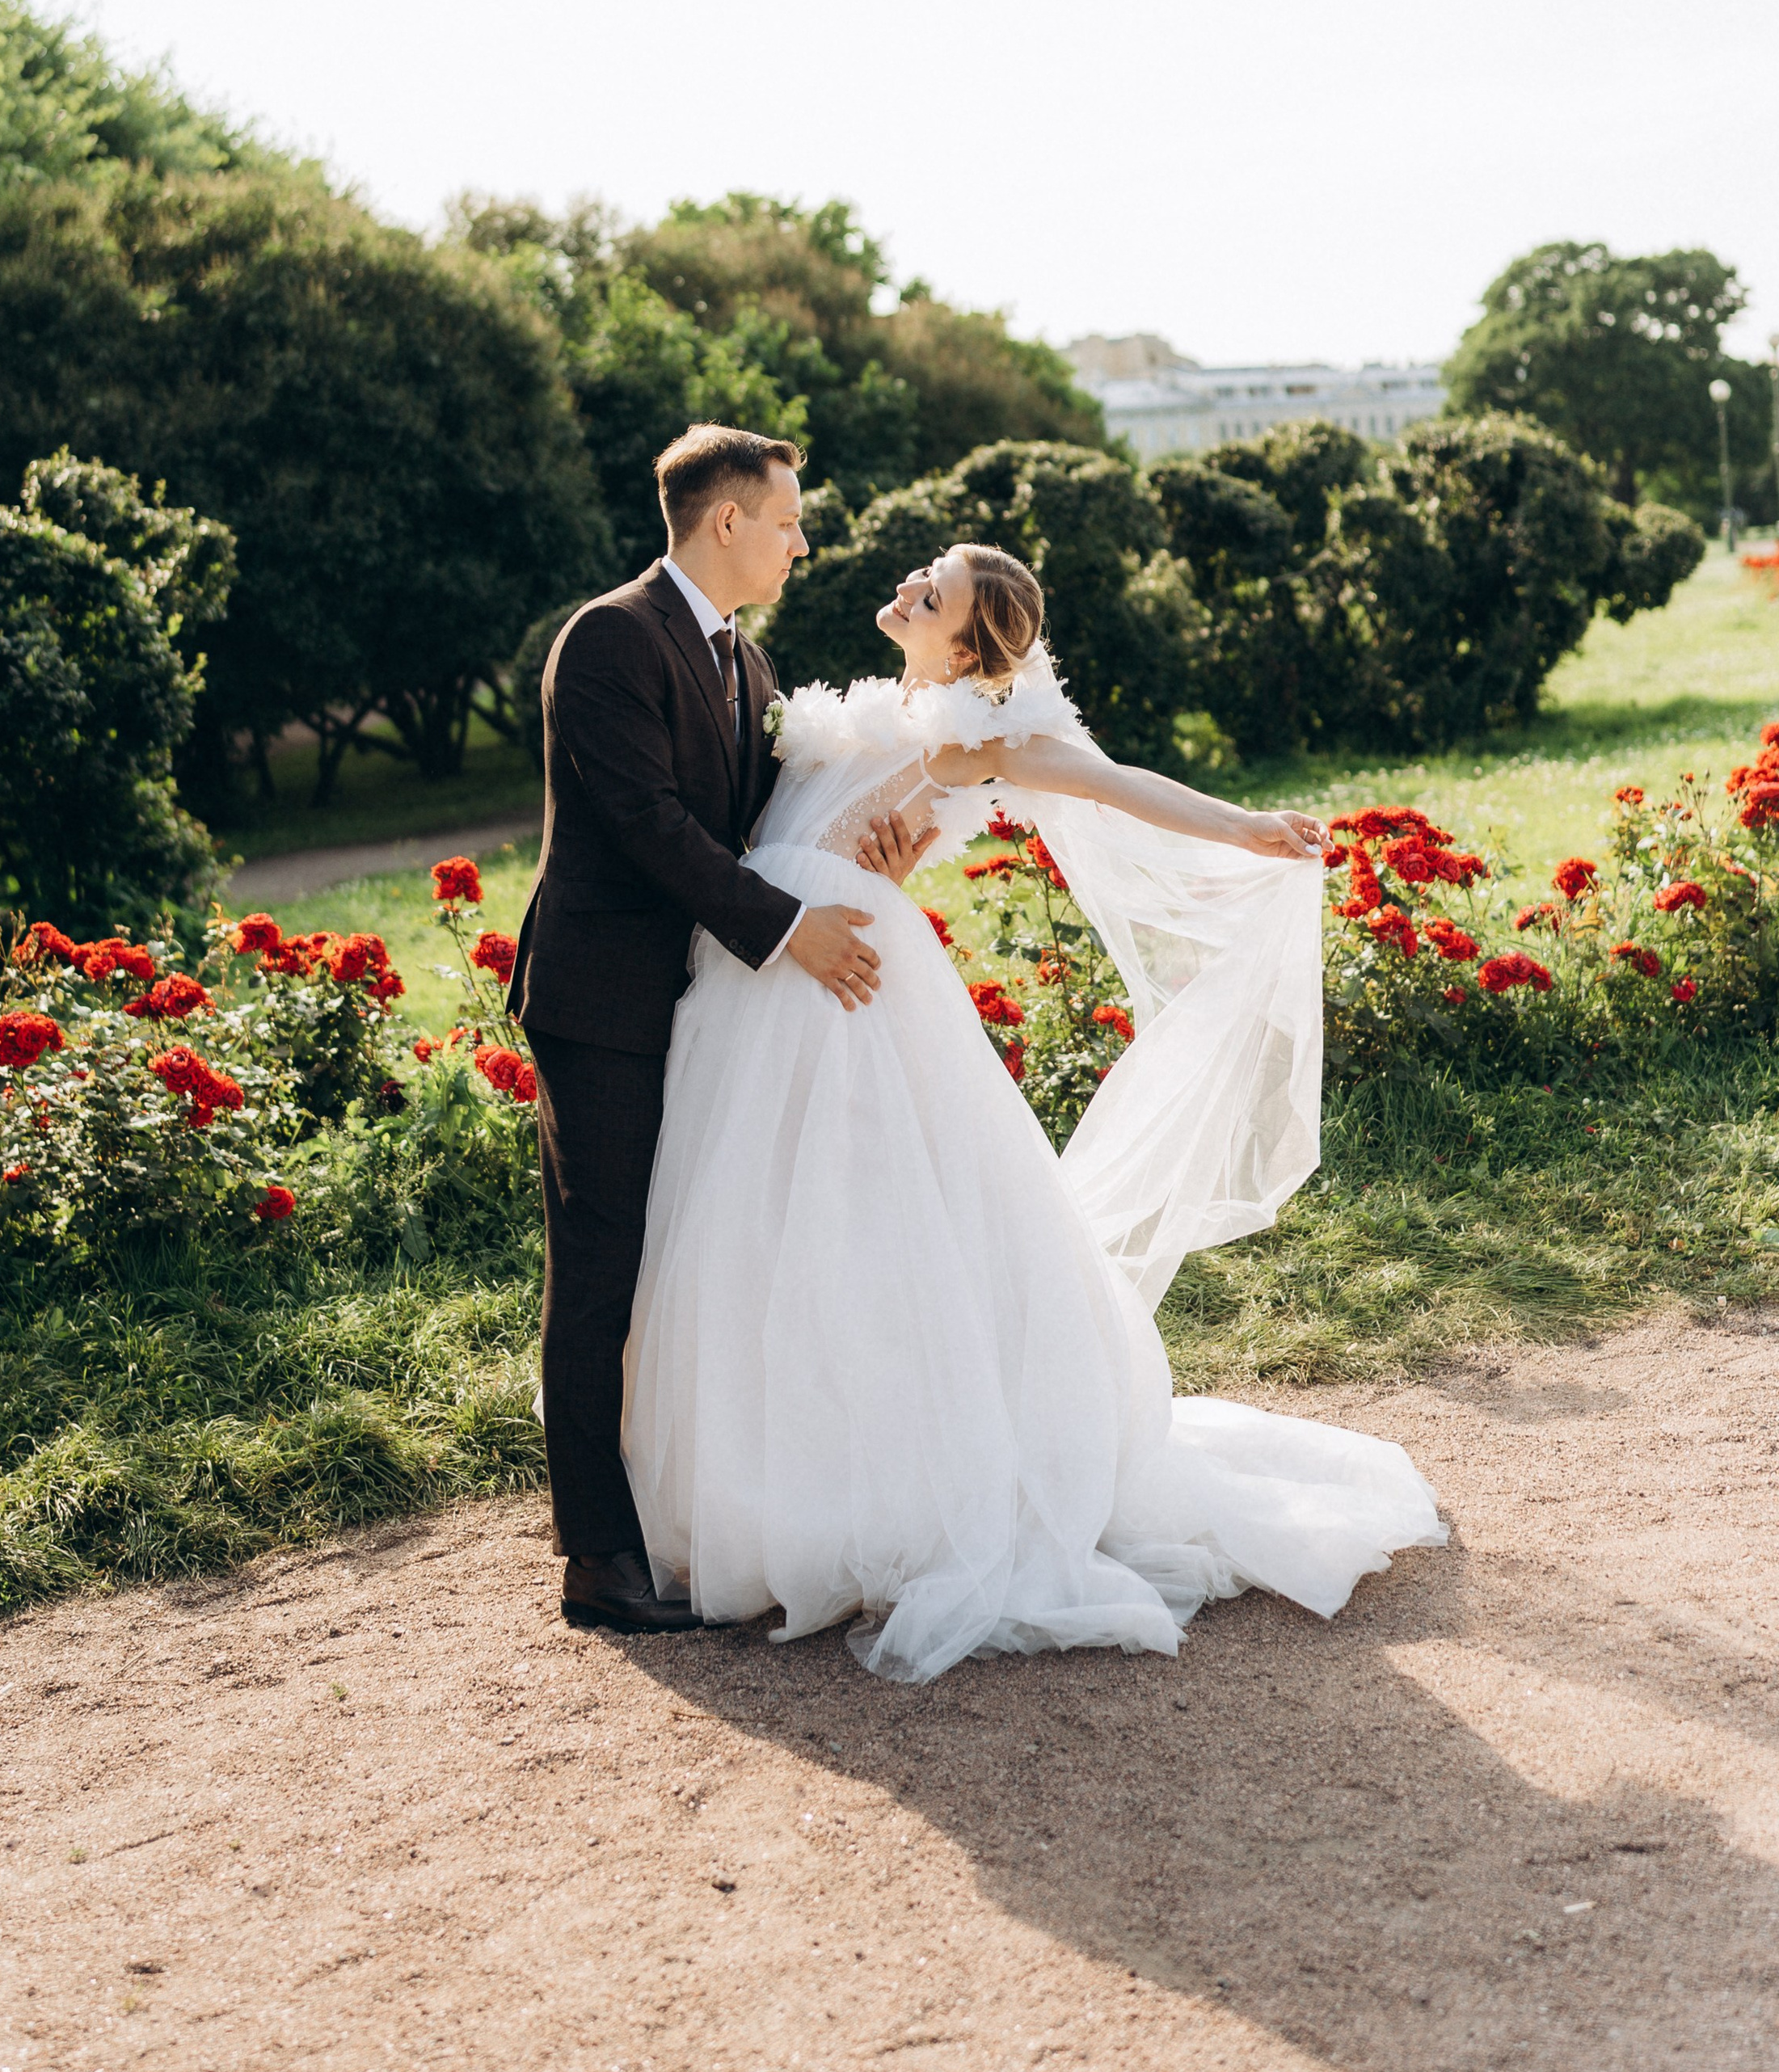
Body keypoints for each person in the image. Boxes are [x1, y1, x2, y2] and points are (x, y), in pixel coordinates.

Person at [622, 540, 1446, 1682]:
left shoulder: (978, 736)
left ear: (967, 641)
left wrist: (1247, 826)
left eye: (939, 588)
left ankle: (885, 1496)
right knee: (764, 1231)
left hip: (846, 993)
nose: (914, 581)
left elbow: (1115, 785)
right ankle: (772, 1485)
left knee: (865, 1233)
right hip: (760, 984)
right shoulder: (859, 707)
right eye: (925, 569)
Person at [511, 422, 899, 1637]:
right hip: (604, 1000)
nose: (801, 540)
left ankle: (673, 1509)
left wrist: (863, 842)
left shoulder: (749, 662)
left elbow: (762, 818)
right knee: (602, 1271)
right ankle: (597, 1561)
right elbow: (647, 823)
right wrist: (794, 931)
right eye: (787, 519)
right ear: (725, 520)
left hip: (699, 1003)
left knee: (679, 1258)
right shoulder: (609, 638)